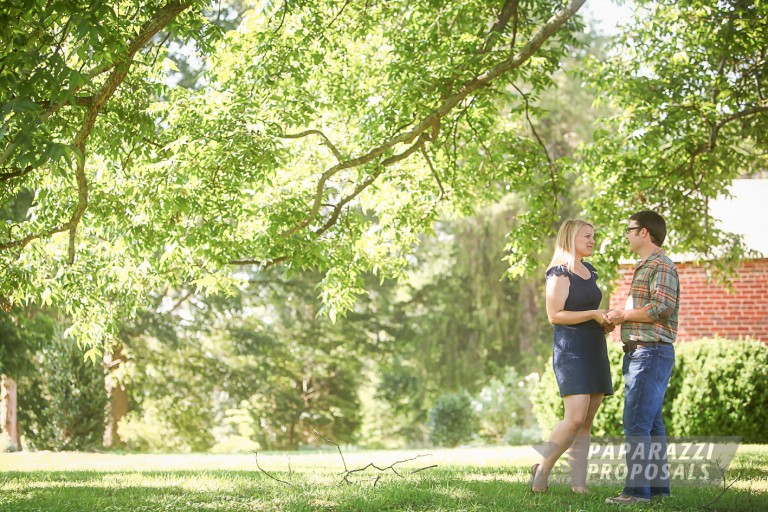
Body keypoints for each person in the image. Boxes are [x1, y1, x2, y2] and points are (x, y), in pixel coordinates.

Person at [531, 219, 614, 494]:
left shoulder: (590, 270)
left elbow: (591, 311)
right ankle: (542, 469)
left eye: (593, 236)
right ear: (570, 238)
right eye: (587, 236)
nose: (592, 240)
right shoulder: (559, 272)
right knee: (575, 418)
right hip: (571, 351)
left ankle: (579, 484)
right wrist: (592, 313)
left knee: (587, 421)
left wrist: (604, 321)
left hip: (594, 348)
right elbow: (555, 316)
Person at [604, 210, 680, 506]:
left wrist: (623, 316)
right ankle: (658, 490)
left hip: (650, 353)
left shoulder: (661, 265)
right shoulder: (645, 265)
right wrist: (620, 319)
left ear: (644, 232)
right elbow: (644, 308)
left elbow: (661, 306)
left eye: (629, 229)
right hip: (645, 352)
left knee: (636, 422)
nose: (627, 234)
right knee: (651, 424)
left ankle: (636, 492)